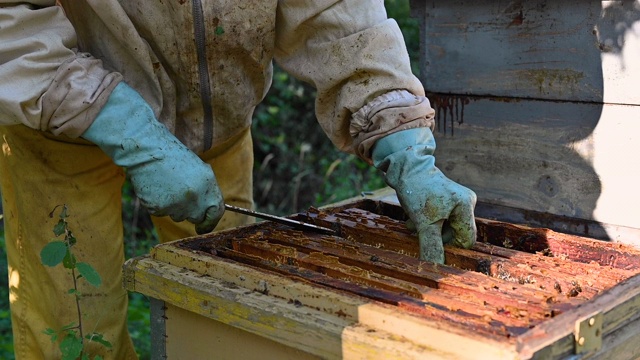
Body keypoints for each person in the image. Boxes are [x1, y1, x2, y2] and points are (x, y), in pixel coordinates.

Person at [0, 1, 477, 358]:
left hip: (218, 132)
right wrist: (128, 129)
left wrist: (406, 147)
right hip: (57, 130)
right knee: (75, 330)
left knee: (224, 312)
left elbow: (337, 13)